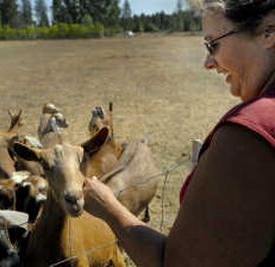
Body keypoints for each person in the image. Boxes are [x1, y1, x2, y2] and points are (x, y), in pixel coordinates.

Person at [83, 1, 275, 266]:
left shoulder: (253, 130)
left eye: (213, 44)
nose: (208, 63)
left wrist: (108, 206)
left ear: (269, 32)